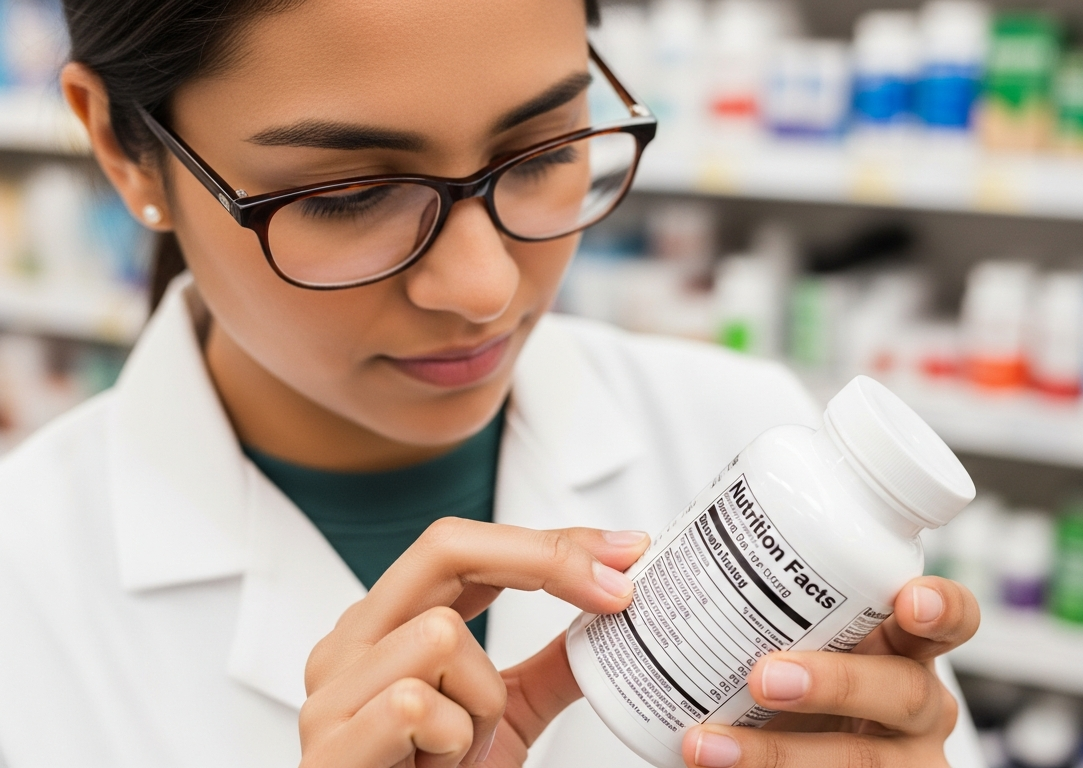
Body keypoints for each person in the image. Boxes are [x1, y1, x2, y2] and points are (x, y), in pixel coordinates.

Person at [0, 1, 985, 766]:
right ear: (124, 147)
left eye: (545, 151)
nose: (485, 288)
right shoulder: (26, 586)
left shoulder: (749, 435)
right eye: (349, 195)